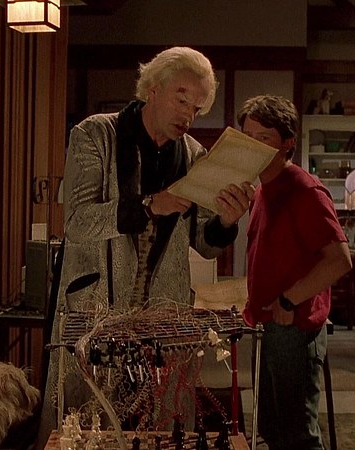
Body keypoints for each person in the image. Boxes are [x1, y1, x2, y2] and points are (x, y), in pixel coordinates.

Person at [37, 46, 254, 446]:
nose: (188, 116)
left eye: (197, 108)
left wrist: (226, 221)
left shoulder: (194, 155)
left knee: (162, 429)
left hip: (162, 317)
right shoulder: (95, 134)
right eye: (182, 100)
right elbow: (78, 223)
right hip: (96, 307)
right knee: (85, 429)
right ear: (152, 89)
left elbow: (204, 243)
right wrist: (151, 205)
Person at [238, 95, 352, 450]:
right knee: (272, 431)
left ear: (287, 143)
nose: (253, 146)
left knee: (298, 437)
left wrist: (289, 300)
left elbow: (340, 260)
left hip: (293, 326)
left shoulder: (304, 189)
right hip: (268, 323)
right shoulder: (262, 189)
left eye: (264, 138)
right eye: (248, 137)